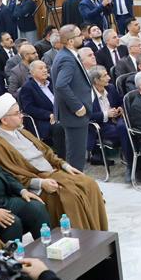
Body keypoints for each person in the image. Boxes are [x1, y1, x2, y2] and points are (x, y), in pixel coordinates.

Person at [0, 95, 109, 231]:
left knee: (90, 184)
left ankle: (98, 234)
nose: (21, 116)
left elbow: (47, 152)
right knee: (71, 197)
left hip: (55, 173)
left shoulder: (23, 132)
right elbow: (11, 176)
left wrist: (65, 165)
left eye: (20, 112)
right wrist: (41, 183)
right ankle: (82, 239)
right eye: (17, 113)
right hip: (37, 184)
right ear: (4, 120)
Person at [50, 24, 93, 172]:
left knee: (76, 155)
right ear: (70, 41)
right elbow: (61, 85)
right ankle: (77, 186)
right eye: (79, 35)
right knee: (76, 158)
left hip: (74, 114)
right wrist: (77, 106)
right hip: (74, 114)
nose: (83, 37)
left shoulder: (67, 55)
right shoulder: (66, 59)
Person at [18, 60, 58, 144]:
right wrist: (49, 115)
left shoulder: (51, 81)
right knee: (60, 127)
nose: (45, 70)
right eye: (41, 68)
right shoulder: (27, 87)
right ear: (32, 73)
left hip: (59, 114)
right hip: (43, 120)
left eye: (45, 67)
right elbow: (29, 108)